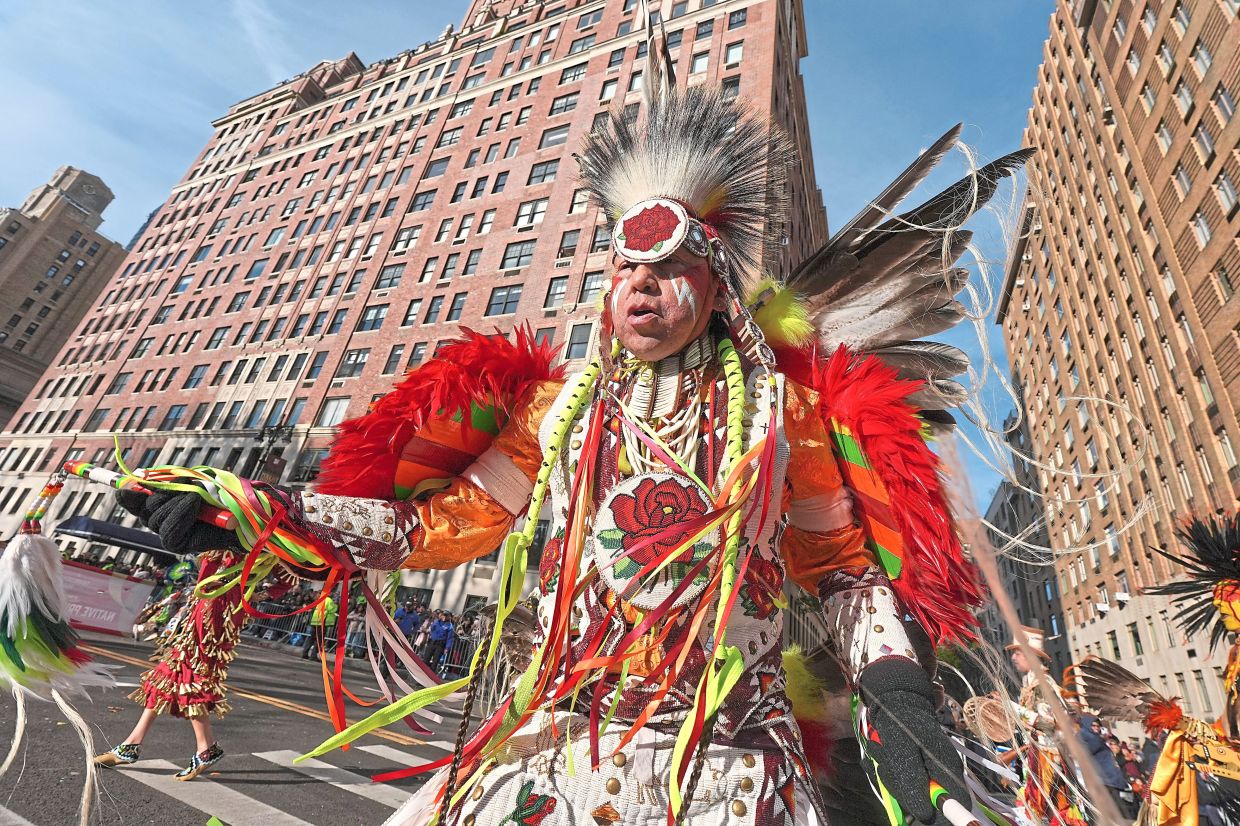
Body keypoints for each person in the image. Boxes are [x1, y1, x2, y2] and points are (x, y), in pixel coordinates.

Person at [115, 59, 1034, 823]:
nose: (641, 284)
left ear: (712, 291)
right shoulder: (557, 410)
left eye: (670, 269)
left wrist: (903, 709)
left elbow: (839, 577)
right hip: (554, 750)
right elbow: (444, 528)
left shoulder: (780, 418)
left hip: (729, 769)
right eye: (627, 266)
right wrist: (268, 510)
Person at [94, 534, 287, 781]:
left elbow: (289, 575)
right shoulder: (227, 525)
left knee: (190, 678)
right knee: (166, 675)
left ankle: (205, 749)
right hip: (201, 605)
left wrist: (257, 595)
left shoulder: (263, 535)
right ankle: (132, 744)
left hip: (220, 614)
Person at [302, 588, 338, 660]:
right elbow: (333, 609)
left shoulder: (319, 599)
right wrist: (336, 604)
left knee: (311, 638)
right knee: (318, 640)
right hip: (322, 622)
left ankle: (305, 653)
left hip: (315, 621)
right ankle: (313, 656)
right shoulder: (328, 600)